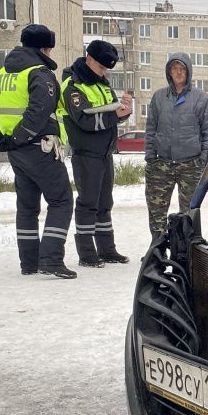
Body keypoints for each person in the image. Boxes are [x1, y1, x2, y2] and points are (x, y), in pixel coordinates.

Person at [0, 23, 76, 279]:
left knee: (27, 207)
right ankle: (51, 259)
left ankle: (29, 262)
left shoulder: (3, 73)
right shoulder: (40, 73)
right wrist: (19, 137)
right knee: (61, 200)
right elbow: (38, 112)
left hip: (16, 151)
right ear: (45, 48)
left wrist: (3, 137)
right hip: (40, 147)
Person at [61, 40, 133, 267]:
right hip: (86, 153)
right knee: (88, 203)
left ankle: (107, 249)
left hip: (104, 153)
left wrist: (124, 113)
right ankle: (86, 253)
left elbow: (111, 113)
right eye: (101, 67)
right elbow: (83, 120)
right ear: (89, 58)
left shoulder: (102, 85)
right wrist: (115, 116)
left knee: (105, 203)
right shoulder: (72, 85)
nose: (104, 72)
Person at [144, 52, 208, 237]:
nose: (178, 72)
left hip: (190, 165)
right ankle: (157, 249)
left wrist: (202, 160)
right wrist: (150, 157)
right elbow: (151, 128)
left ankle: (185, 250)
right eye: (175, 68)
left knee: (189, 213)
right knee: (156, 210)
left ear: (188, 72)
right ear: (169, 72)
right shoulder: (159, 97)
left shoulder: (201, 98)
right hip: (162, 164)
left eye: (182, 68)